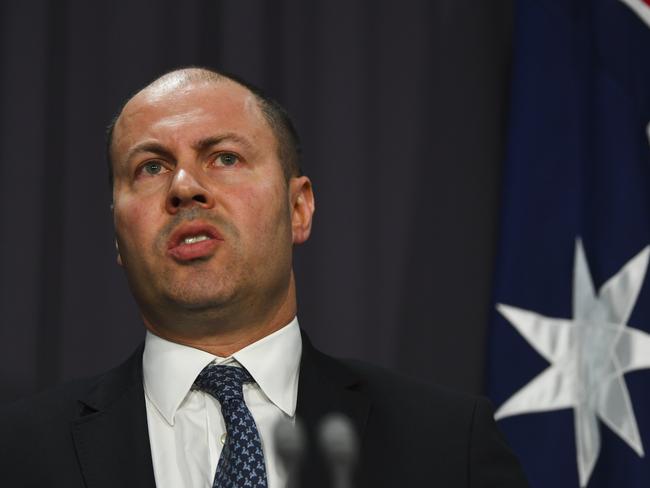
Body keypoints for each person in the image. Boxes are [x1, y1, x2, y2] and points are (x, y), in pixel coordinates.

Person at [0, 67, 528, 487]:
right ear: (117, 235)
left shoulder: (447, 444)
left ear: (298, 209)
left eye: (224, 157)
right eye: (151, 167)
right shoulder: (18, 454)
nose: (185, 187)